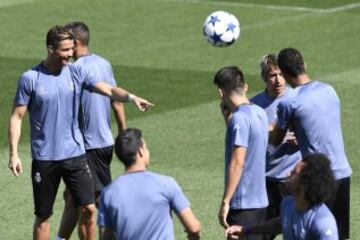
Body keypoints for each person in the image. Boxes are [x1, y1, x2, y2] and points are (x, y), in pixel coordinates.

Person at [8, 25, 153, 240]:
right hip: (45, 158)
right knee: (44, 216)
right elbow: (17, 117)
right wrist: (14, 153)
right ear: (50, 49)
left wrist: (131, 97)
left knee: (89, 208)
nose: (69, 55)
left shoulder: (77, 72)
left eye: (71, 49)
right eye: (65, 50)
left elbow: (110, 90)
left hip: (75, 155)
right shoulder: (31, 78)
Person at [269, 48, 352, 240]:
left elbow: (275, 140)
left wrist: (266, 126)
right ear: (303, 64)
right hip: (343, 173)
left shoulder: (289, 102)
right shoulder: (329, 89)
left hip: (317, 179)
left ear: (283, 72)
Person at [57, 21, 127, 240]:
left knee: (87, 204)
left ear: (75, 42)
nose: (66, 48)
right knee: (72, 196)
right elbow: (116, 100)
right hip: (104, 143)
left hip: (88, 146)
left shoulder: (75, 69)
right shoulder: (104, 63)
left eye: (68, 43)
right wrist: (123, 133)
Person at [98, 128, 201, 240]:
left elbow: (106, 236)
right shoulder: (166, 184)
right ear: (140, 151)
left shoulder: (108, 193)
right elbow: (193, 227)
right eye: (146, 147)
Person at [225, 153, 338, 240]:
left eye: (294, 173)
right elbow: (280, 224)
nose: (288, 174)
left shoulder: (323, 222)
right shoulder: (287, 203)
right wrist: (244, 230)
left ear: (306, 183)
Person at [213, 66, 268, 240]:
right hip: (260, 202)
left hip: (243, 205)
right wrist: (227, 119)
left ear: (221, 93)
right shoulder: (260, 113)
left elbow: (238, 162)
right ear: (245, 86)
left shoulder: (239, 119)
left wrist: (225, 202)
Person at [250, 54, 302, 239]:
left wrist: (302, 138)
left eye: (280, 74)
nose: (278, 80)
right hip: (265, 181)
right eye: (272, 75)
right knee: (263, 233)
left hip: (293, 179)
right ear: (265, 77)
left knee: (296, 232)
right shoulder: (254, 105)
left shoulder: (298, 98)